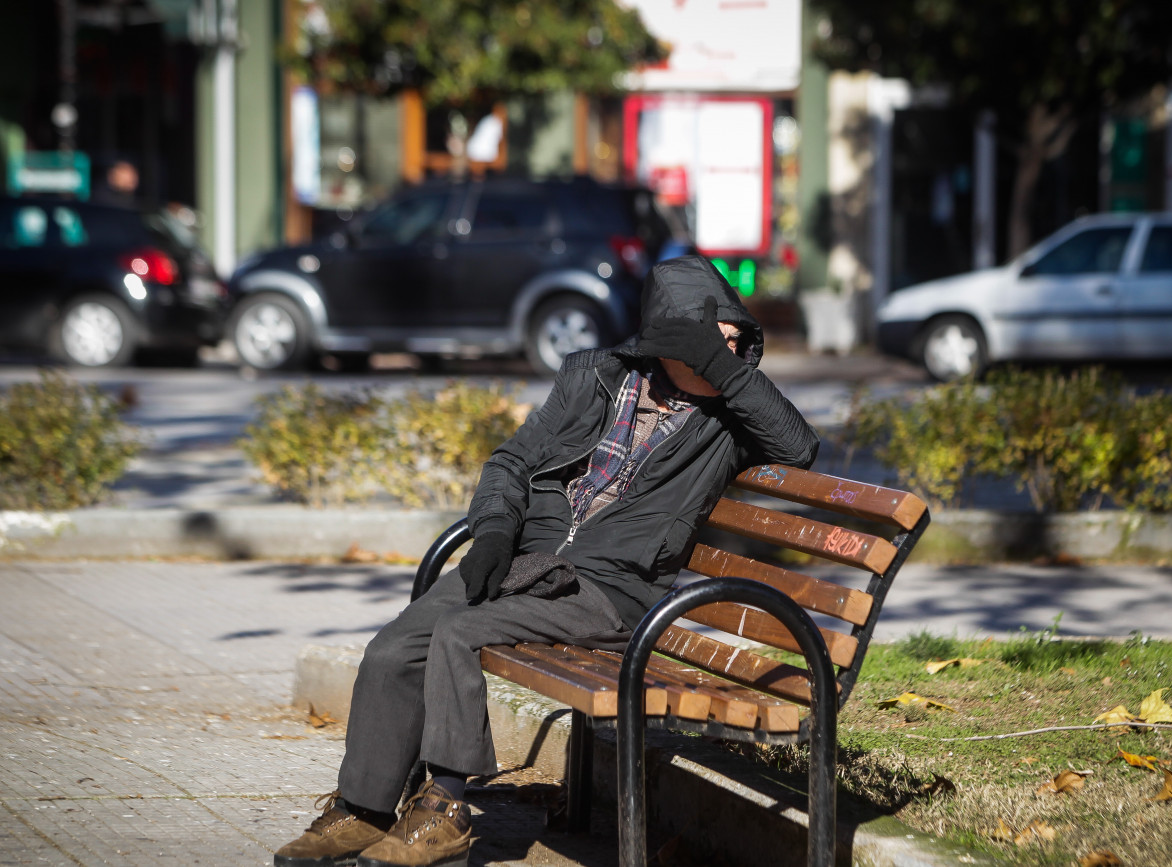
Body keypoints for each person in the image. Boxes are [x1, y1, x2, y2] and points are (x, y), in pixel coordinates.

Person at [274, 254, 820, 867]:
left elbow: (799, 447)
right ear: (668, 340)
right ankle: (364, 808)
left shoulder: (730, 420)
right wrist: (494, 535)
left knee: (459, 632)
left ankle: (446, 811)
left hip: (614, 591)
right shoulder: (595, 381)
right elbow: (511, 462)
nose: (730, 350)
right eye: (710, 340)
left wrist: (722, 367)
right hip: (531, 565)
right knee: (393, 648)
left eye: (735, 341)